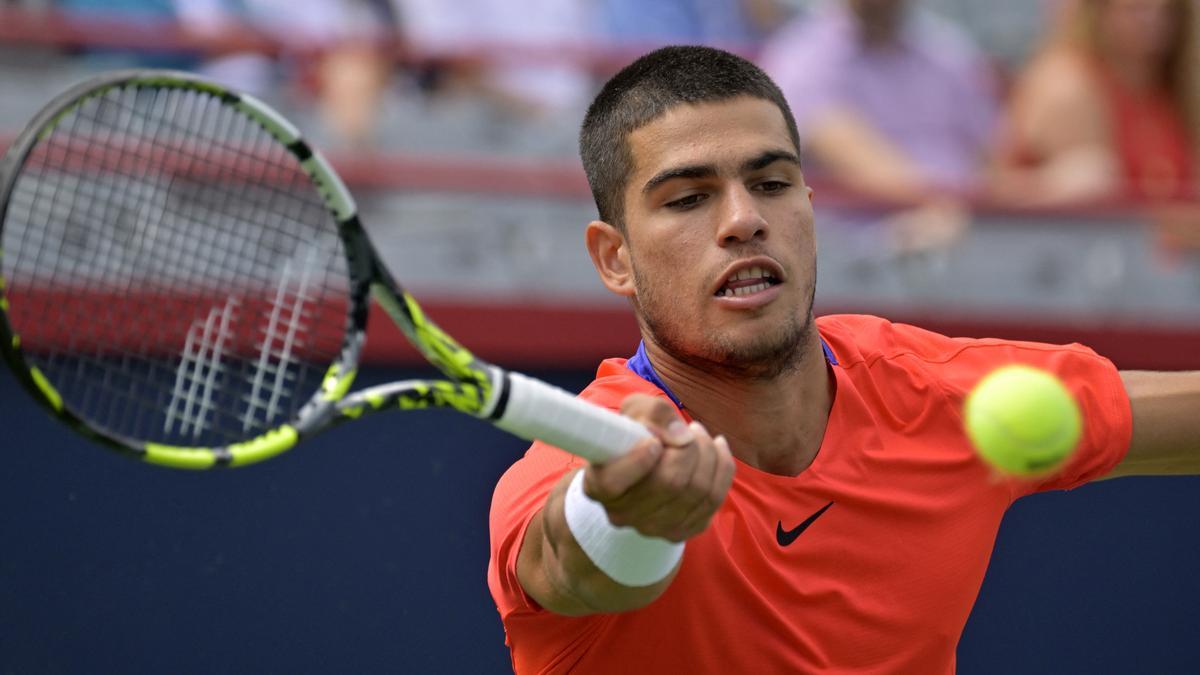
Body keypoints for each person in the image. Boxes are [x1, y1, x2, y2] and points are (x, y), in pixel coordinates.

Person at [486, 45, 1200, 673]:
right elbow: (574, 566)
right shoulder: (563, 474)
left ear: (808, 206)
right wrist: (633, 516)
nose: (743, 219)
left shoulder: (930, 392)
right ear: (616, 259)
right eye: (688, 197)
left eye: (771, 183)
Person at [757, 0, 1001, 253]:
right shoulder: (801, 56)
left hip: (972, 233)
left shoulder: (949, 50)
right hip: (860, 255)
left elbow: (993, 159)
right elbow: (861, 160)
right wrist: (949, 206)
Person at [994, 0, 1198, 207]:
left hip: (1158, 231)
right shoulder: (1070, 85)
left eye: (1168, 10)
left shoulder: (1172, 88)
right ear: (1099, 12)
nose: (1154, 20)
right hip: (1084, 234)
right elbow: (1089, 189)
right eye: (1137, 9)